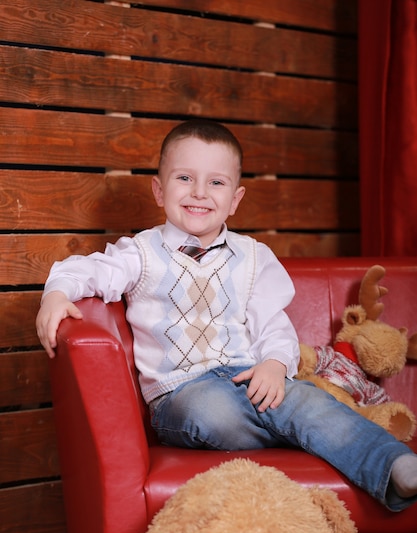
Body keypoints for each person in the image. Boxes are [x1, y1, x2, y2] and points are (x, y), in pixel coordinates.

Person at [36, 118, 417, 512]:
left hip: (248, 378)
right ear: (159, 189)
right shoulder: (141, 253)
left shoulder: (253, 258)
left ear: (235, 199)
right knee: (213, 410)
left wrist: (272, 363)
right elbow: (88, 269)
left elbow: (273, 325)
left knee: (306, 400)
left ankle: (393, 468)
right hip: (181, 394)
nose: (199, 192)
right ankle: (304, 434)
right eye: (184, 178)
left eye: (216, 183)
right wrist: (57, 293)